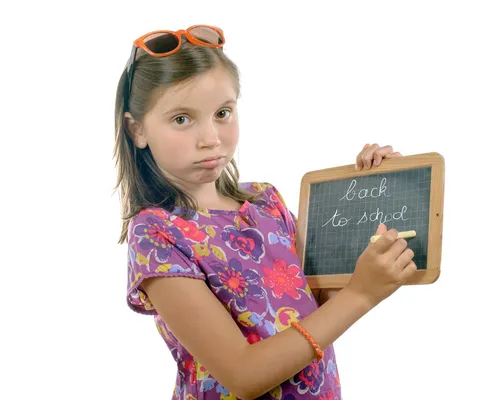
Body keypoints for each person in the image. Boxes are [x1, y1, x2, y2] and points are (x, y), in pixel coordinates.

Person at [114, 24, 417, 400]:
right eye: (181, 119)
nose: (210, 138)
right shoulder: (158, 235)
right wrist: (361, 295)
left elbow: (316, 306)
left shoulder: (264, 202)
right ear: (137, 129)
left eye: (222, 112)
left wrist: (375, 193)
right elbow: (244, 375)